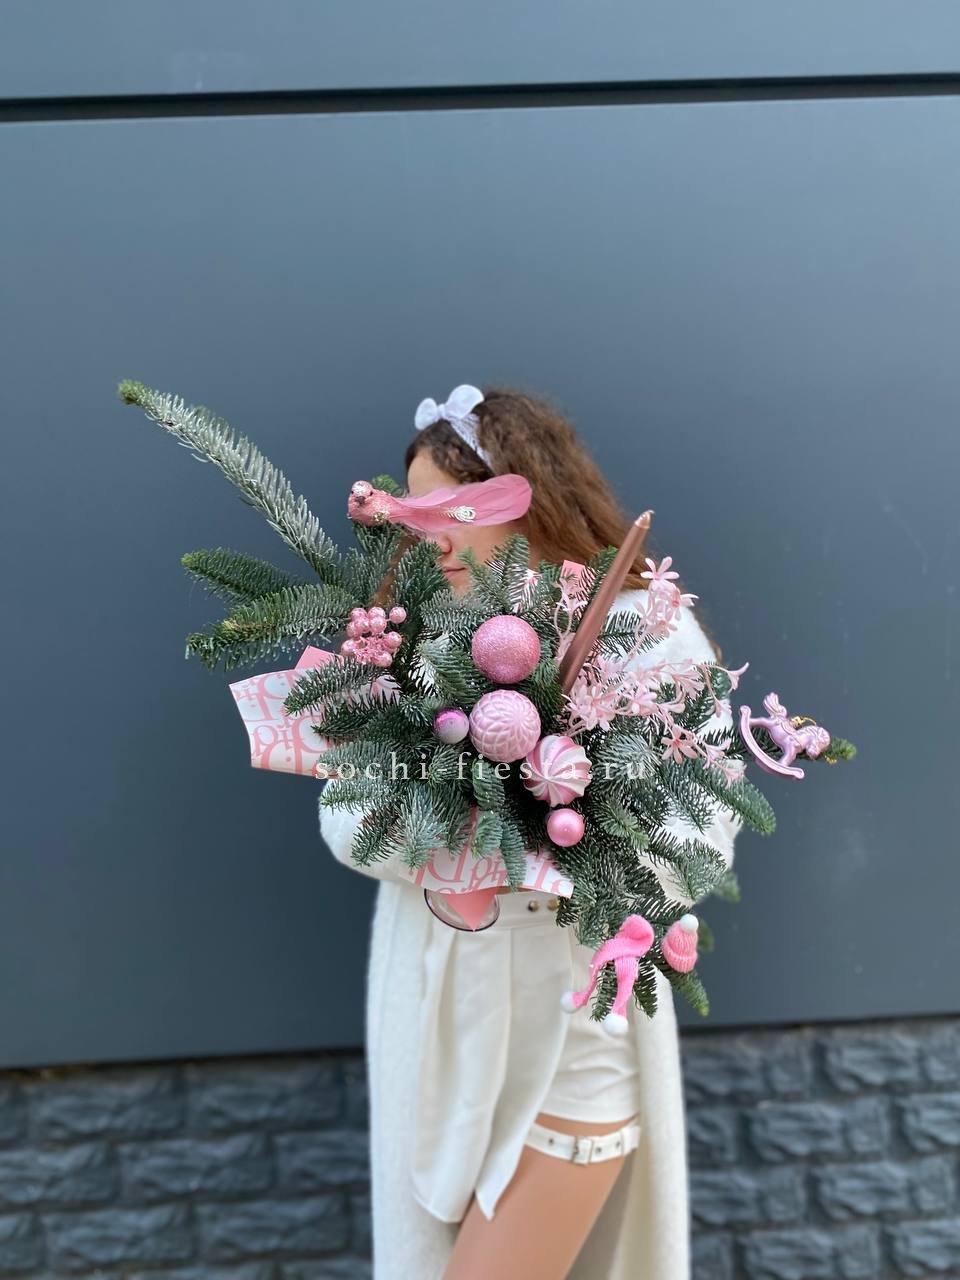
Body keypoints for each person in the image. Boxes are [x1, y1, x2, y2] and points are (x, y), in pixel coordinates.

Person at [320, 384, 743, 1280]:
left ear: (529, 493)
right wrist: (460, 817)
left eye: (456, 508)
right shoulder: (406, 638)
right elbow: (346, 817)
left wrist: (557, 828)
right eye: (416, 512)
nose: (433, 536)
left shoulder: (646, 635)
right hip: (441, 1039)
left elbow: (702, 838)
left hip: (575, 1036)